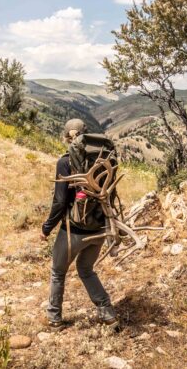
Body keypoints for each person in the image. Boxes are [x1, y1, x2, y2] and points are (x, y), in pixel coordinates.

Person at [40, 118, 118, 330]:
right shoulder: (105, 157)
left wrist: (46, 228)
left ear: (67, 137)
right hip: (100, 226)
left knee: (58, 272)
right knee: (85, 269)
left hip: (74, 230)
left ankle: (54, 318)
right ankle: (108, 314)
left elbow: (60, 202)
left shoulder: (65, 162)